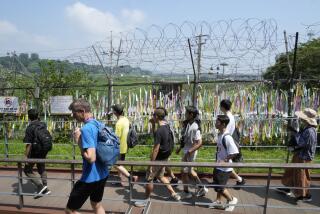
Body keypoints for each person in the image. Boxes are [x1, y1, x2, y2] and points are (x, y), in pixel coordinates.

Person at [66, 99, 109, 214]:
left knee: (70, 210)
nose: (73, 116)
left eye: (74, 113)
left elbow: (91, 158)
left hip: (90, 178)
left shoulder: (87, 129)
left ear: (82, 111)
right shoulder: (98, 124)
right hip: (103, 174)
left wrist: (78, 141)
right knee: (96, 204)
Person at [134, 107, 181, 207]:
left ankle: (146, 200)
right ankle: (174, 193)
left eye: (153, 116)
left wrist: (151, 163)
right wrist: (153, 124)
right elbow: (160, 137)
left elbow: (156, 149)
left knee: (149, 179)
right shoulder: (167, 126)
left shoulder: (160, 130)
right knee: (160, 176)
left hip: (158, 158)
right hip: (164, 157)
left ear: (156, 116)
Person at [276, 108, 318, 202]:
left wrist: (294, 137)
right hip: (301, 154)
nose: (301, 119)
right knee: (291, 172)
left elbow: (302, 143)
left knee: (301, 176)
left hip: (304, 157)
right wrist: (294, 132)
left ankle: (303, 194)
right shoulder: (308, 129)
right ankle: (289, 188)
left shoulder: (310, 131)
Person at [176, 106, 208, 199]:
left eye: (186, 113)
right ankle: (197, 188)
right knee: (186, 171)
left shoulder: (195, 127)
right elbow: (185, 138)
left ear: (191, 114)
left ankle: (189, 191)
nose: (185, 114)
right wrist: (180, 148)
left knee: (186, 171)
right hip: (187, 151)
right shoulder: (188, 124)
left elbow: (199, 143)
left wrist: (188, 152)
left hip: (190, 152)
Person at [209, 114, 238, 211]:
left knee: (220, 187)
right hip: (219, 165)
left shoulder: (227, 137)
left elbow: (234, 152)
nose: (215, 123)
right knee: (217, 185)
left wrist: (224, 160)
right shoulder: (220, 134)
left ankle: (231, 200)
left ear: (223, 124)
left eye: (217, 122)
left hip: (224, 167)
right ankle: (218, 201)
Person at [23, 109, 51, 198]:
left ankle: (40, 186)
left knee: (27, 170)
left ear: (29, 117)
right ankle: (45, 187)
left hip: (35, 151)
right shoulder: (43, 124)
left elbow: (29, 145)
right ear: (38, 115)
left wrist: (25, 157)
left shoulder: (30, 128)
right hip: (43, 150)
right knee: (41, 168)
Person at [220, 99, 245, 189]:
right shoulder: (230, 115)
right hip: (226, 141)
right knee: (226, 163)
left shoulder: (228, 117)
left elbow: (228, 131)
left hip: (226, 142)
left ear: (222, 107)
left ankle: (222, 183)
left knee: (225, 162)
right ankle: (239, 179)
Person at [111, 104, 138, 186]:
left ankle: (131, 177)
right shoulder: (126, 120)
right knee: (120, 164)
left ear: (115, 112)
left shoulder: (119, 123)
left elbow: (116, 137)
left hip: (119, 147)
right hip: (125, 146)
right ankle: (120, 181)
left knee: (115, 164)